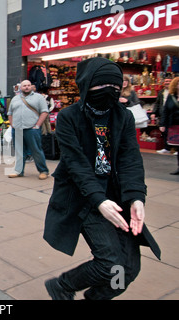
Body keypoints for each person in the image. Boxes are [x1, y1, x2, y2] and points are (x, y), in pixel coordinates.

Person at [43, 57, 161, 300]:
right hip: (85, 198)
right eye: (102, 87)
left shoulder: (123, 117)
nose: (110, 93)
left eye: (116, 88)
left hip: (116, 197)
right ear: (87, 86)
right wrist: (98, 200)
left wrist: (137, 197)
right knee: (110, 264)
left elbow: (130, 159)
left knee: (126, 271)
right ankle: (63, 285)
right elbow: (75, 163)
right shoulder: (69, 117)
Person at [7, 80, 49, 179]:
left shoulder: (38, 97)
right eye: (24, 85)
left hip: (32, 129)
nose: (26, 87)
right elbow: (10, 113)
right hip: (17, 129)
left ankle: (43, 171)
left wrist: (37, 125)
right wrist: (12, 125)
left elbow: (44, 112)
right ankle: (19, 171)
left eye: (28, 85)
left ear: (31, 87)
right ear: (20, 87)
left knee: (36, 151)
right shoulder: (15, 99)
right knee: (19, 151)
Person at [160, 76, 179, 175]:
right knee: (177, 147)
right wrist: (162, 124)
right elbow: (165, 111)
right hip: (174, 125)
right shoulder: (171, 97)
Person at [154, 78, 173, 154]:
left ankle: (175, 148)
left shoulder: (173, 92)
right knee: (164, 130)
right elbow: (157, 103)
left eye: (169, 81)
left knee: (174, 130)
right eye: (166, 81)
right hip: (163, 113)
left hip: (172, 114)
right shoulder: (161, 92)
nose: (167, 83)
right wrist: (154, 112)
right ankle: (166, 148)